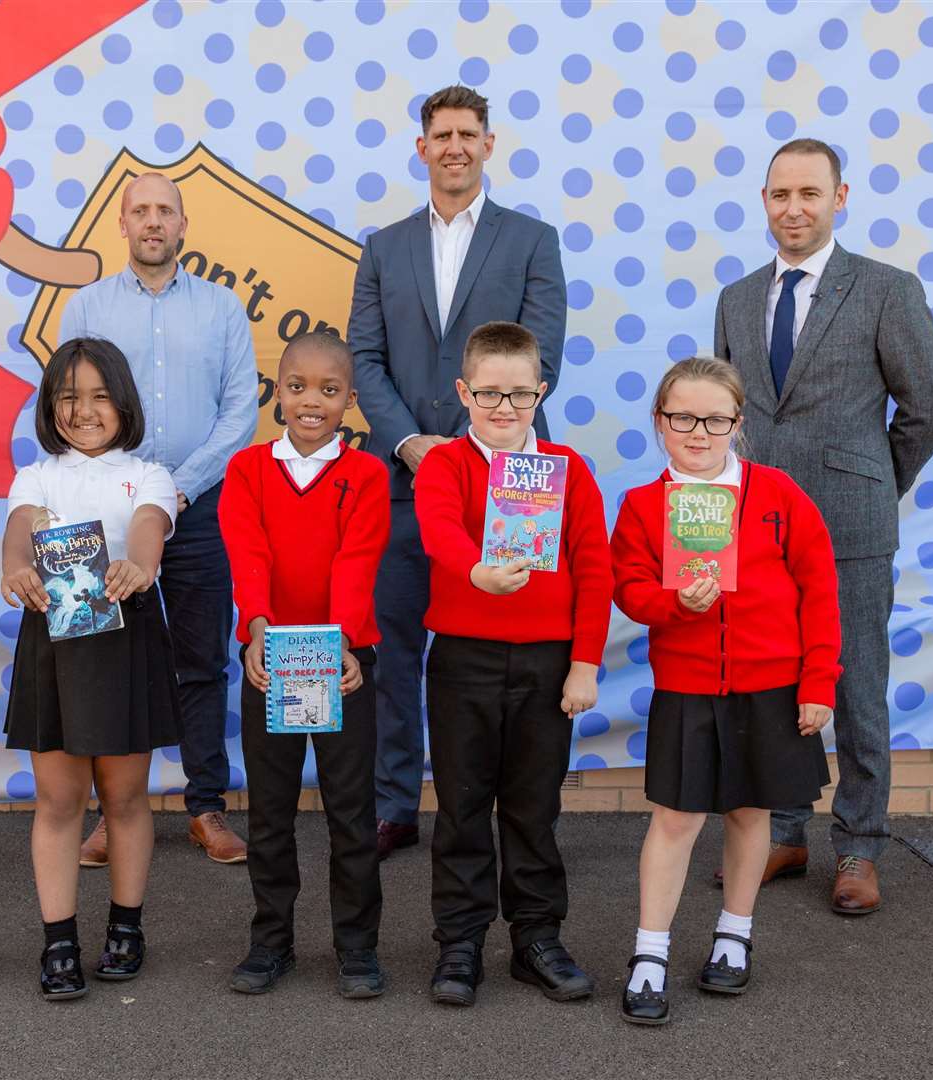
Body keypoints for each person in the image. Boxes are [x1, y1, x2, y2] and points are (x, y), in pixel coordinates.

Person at [712, 138, 933, 914]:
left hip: (850, 526)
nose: (794, 208)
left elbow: (927, 409)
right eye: (780, 194)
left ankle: (857, 846)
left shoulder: (885, 290)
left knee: (853, 689)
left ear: (838, 199)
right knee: (776, 682)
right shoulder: (737, 298)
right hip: (759, 531)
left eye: (810, 194)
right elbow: (732, 415)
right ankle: (785, 830)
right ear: (763, 199)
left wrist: (876, 482)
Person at [349, 85, 567, 859]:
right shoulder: (382, 247)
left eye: (467, 134)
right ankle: (394, 804)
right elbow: (364, 361)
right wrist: (412, 444)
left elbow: (543, 359)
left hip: (506, 482)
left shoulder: (531, 241)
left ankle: (502, 810)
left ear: (488, 143)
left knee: (503, 648)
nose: (453, 146)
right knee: (397, 648)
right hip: (403, 480)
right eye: (440, 134)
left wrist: (476, 446)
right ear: (421, 148)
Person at [608, 358, 841, 1025]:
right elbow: (628, 589)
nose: (698, 432)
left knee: (747, 813)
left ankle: (733, 936)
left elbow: (819, 592)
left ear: (737, 424)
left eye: (714, 419)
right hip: (685, 686)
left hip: (769, 686)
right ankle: (649, 953)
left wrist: (816, 679)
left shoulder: (778, 495)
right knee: (675, 819)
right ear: (659, 422)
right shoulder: (642, 505)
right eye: (682, 417)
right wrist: (675, 601)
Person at [59, 173, 258, 866]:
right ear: (120, 224)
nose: (152, 221)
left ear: (182, 224)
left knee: (201, 660)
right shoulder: (85, 307)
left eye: (163, 211)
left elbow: (240, 412)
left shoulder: (222, 309)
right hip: (106, 511)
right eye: (139, 210)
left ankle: (205, 804)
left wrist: (176, 488)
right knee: (106, 662)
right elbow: (71, 406)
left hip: (199, 509)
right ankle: (114, 816)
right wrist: (131, 490)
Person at [412, 322, 610, 1007]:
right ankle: (460, 944)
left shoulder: (568, 469)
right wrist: (475, 570)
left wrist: (584, 663)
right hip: (462, 660)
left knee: (532, 808)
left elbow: (594, 569)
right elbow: (436, 528)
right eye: (489, 393)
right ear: (463, 391)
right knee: (462, 809)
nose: (503, 409)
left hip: (547, 664)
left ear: (541, 392)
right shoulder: (443, 464)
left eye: (519, 395)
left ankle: (535, 939)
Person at [0, 337, 182, 1001]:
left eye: (100, 395)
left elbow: (147, 528)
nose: (84, 409)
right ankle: (58, 941)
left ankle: (127, 928)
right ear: (50, 406)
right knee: (57, 800)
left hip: (124, 638)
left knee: (125, 797)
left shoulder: (149, 474)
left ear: (124, 403)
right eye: (69, 396)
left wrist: (140, 566)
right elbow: (19, 529)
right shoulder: (38, 473)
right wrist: (13, 568)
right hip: (53, 638)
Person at [217, 333, 391, 998]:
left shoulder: (367, 474)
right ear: (277, 392)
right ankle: (270, 942)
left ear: (349, 400)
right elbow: (248, 553)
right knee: (270, 810)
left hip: (344, 660)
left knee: (351, 811)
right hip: (270, 656)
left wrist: (344, 640)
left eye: (327, 390)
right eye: (297, 387)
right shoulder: (247, 470)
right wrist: (257, 628)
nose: (310, 401)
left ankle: (355, 946)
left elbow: (357, 558)